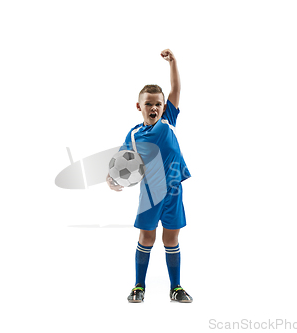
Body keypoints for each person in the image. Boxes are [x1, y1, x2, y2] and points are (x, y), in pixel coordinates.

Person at [106, 49, 193, 303]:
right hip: (150, 194)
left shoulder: (168, 120)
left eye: (158, 103)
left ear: (163, 106)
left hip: (174, 191)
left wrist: (173, 63)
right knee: (146, 237)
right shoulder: (133, 135)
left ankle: (176, 287)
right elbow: (121, 161)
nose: (154, 107)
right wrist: (112, 179)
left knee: (171, 238)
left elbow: (176, 88)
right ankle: (138, 285)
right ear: (139, 106)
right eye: (148, 104)